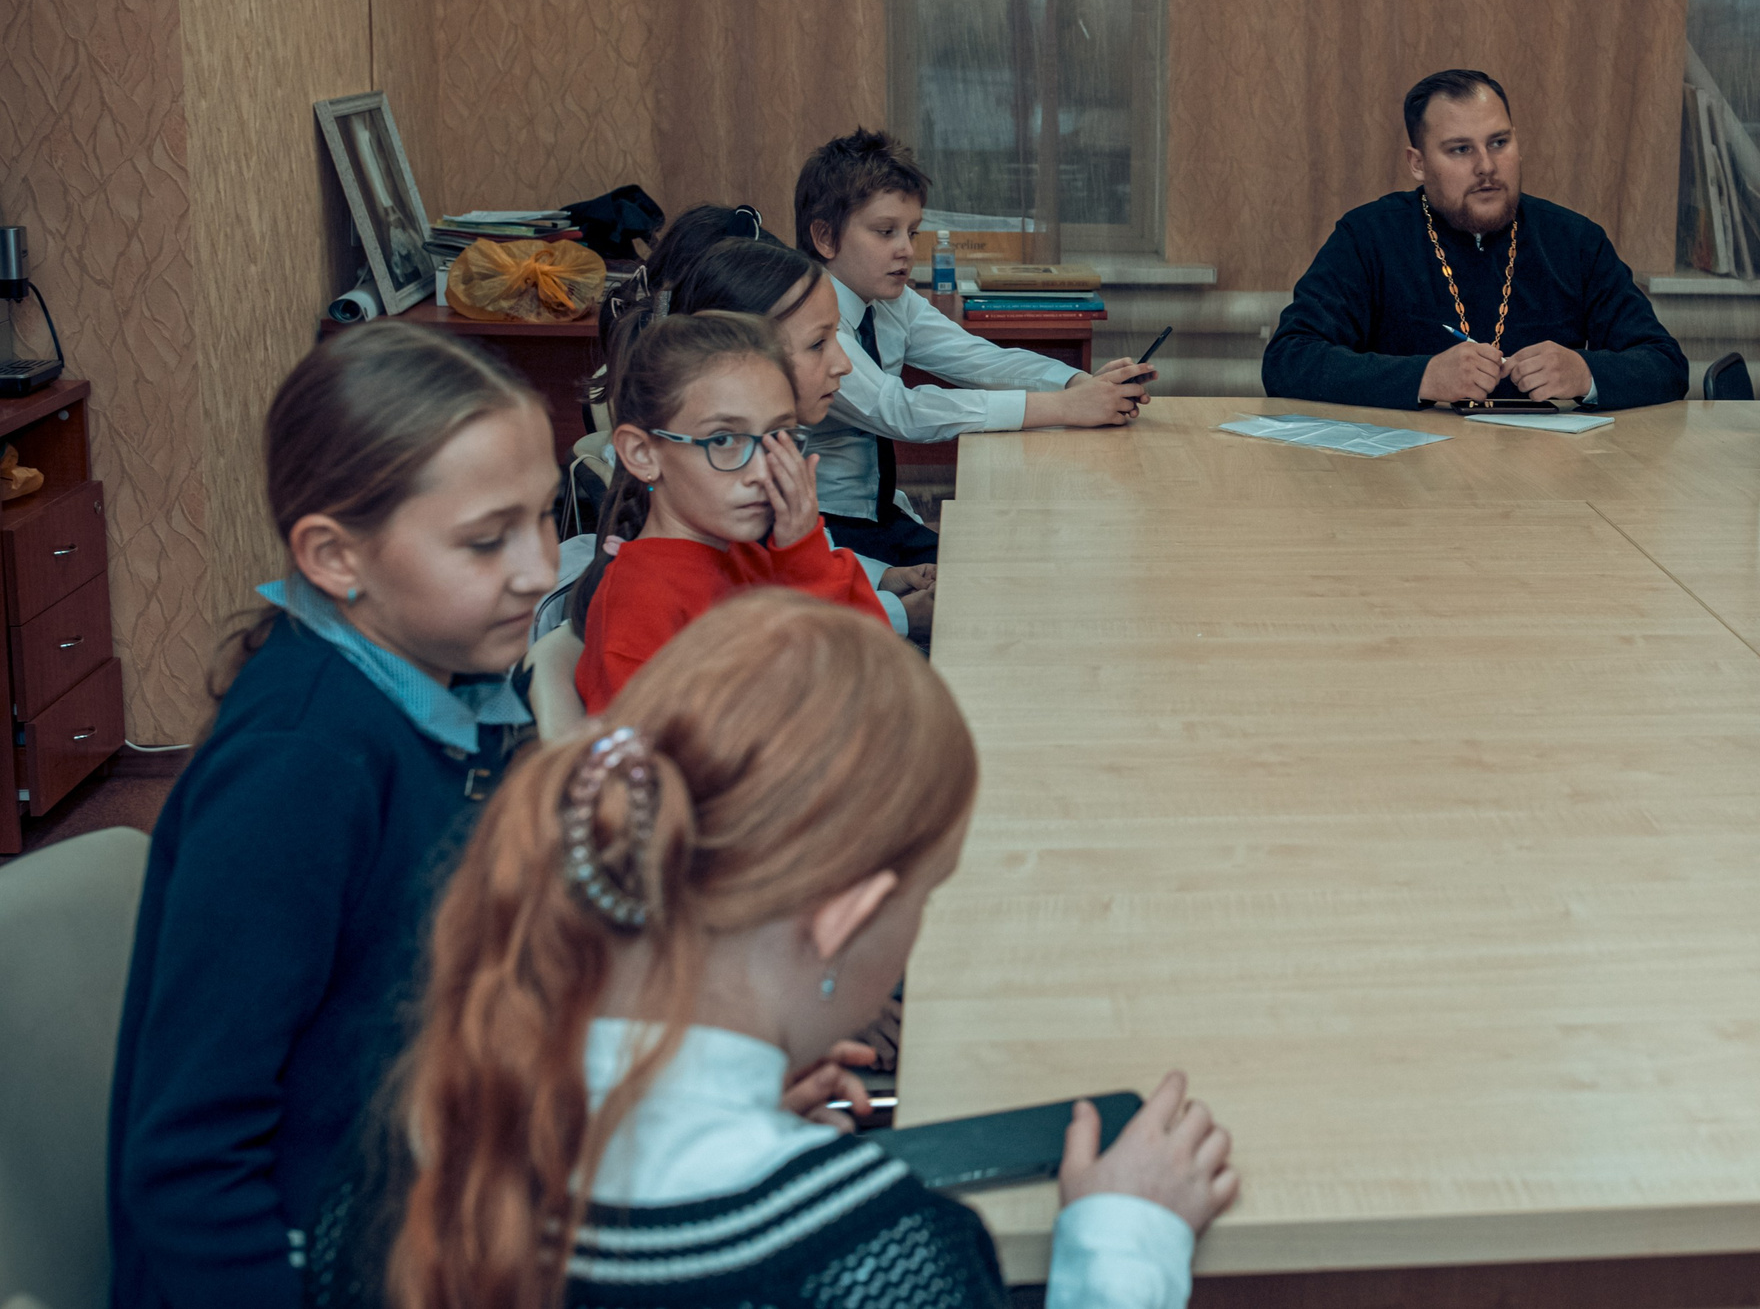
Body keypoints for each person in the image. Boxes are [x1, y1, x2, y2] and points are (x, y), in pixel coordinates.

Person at [373, 590, 1236, 1308]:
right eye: (925, 897)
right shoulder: (876, 1250)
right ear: (846, 918)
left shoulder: (421, 1145)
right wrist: (1124, 1246)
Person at [109, 325, 559, 1309]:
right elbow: (189, 1158)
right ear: (332, 554)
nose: (538, 568)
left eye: (545, 517)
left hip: (438, 1216)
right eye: (488, 539)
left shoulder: (463, 689)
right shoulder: (301, 766)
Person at [795, 129, 1154, 566]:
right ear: (825, 237)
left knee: (1007, 565)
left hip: (882, 515)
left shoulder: (893, 302)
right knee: (988, 581)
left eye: (912, 232)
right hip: (823, 529)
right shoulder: (806, 321)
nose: (906, 250)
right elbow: (899, 411)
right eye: (885, 232)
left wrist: (1078, 382)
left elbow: (980, 359)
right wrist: (1065, 408)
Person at [1261, 69, 1689, 411]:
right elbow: (1288, 359)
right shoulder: (1368, 237)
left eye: (1499, 143)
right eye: (1461, 150)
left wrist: (1586, 372)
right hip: (1403, 484)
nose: (1487, 166)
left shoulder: (1574, 241)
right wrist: (1423, 378)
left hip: (1548, 486)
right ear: (1418, 163)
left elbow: (1666, 364)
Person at [570, 312, 890, 707]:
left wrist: (806, 554)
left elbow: (878, 670)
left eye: (779, 436)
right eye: (723, 439)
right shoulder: (638, 604)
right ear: (642, 454)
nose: (761, 471)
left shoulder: (755, 557)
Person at [669, 236, 938, 643]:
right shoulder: (726, 497)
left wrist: (885, 577)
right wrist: (900, 615)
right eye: (818, 344)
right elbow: (775, 618)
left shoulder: (773, 458)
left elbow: (810, 566)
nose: (843, 364)